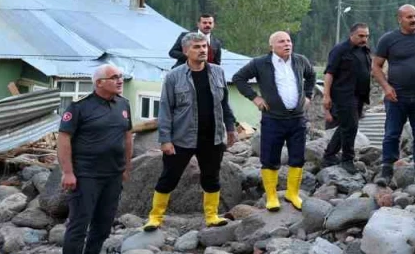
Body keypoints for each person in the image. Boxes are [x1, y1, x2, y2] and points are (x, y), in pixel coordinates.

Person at [143, 33, 239, 231]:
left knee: (211, 177)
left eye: (204, 46)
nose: (203, 50)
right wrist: (165, 139)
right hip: (181, 138)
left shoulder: (218, 72)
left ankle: (212, 216)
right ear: (186, 51)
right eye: (197, 47)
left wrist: (230, 129)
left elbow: (225, 104)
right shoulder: (173, 76)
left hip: (212, 137)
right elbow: (165, 109)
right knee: (169, 177)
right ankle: (155, 217)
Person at [56, 64, 134, 254]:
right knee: (79, 223)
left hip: (113, 174)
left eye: (121, 77)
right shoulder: (80, 107)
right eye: (114, 78)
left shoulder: (123, 104)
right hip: (85, 175)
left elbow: (127, 137)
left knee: (103, 224)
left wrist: (127, 167)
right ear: (99, 83)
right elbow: (63, 139)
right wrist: (68, 172)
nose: (120, 81)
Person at [232, 31, 316, 211]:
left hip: (297, 119)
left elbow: (311, 76)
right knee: (269, 158)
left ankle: (292, 194)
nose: (287, 44)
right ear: (272, 46)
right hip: (273, 119)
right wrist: (255, 98)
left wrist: (308, 96)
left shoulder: (300, 60)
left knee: (298, 158)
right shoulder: (260, 63)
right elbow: (239, 78)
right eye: (281, 42)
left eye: (289, 41)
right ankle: (271, 196)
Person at [371, 5, 415, 186]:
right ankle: (386, 170)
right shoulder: (388, 40)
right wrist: (386, 87)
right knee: (391, 134)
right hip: (396, 96)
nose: (414, 20)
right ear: (400, 19)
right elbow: (376, 66)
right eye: (410, 17)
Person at [322, 23, 372, 173]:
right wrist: (326, 95)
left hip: (359, 95)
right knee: (351, 126)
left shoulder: (365, 50)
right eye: (361, 36)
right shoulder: (340, 50)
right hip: (344, 94)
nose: (364, 39)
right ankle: (347, 159)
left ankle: (329, 155)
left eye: (367, 36)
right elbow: (329, 73)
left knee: (346, 126)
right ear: (352, 35)